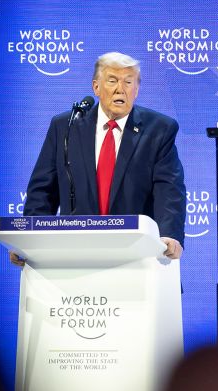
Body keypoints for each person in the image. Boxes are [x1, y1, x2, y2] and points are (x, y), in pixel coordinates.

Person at [10, 52, 186, 266]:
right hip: (75, 254)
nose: (120, 89)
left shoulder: (159, 129)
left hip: (137, 256)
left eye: (128, 82)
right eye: (112, 81)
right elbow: (42, 191)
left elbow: (169, 190)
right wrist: (30, 243)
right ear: (96, 87)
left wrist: (169, 236)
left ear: (136, 90)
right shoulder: (65, 126)